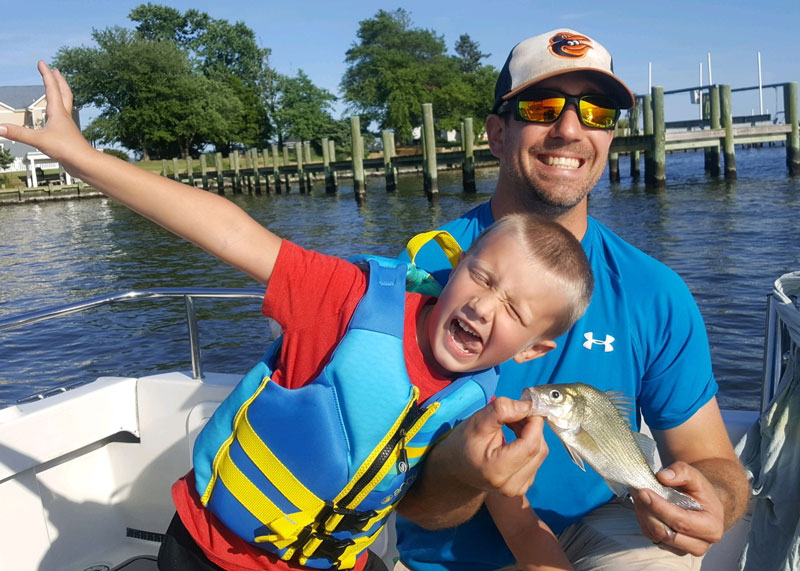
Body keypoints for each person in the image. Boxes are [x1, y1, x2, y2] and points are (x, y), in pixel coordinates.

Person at [0, 62, 594, 571]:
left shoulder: (477, 400)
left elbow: (417, 499)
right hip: (210, 551)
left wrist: (474, 473)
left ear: (532, 350)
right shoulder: (347, 299)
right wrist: (81, 158)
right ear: (456, 262)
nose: (484, 305)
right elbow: (230, 230)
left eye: (514, 309)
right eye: (481, 278)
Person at [392, 28, 751, 571]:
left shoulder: (655, 291)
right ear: (495, 133)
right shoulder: (429, 273)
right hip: (454, 554)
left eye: (597, 112)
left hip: (605, 520)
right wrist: (467, 475)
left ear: (610, 137)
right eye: (542, 106)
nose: (570, 129)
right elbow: (410, 500)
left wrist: (712, 501)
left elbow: (713, 459)